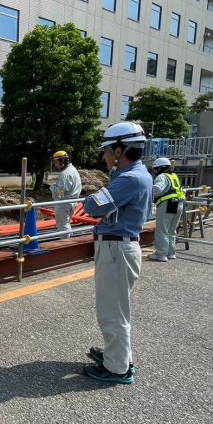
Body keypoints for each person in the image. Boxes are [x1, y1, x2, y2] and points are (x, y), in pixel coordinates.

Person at [82, 122, 152, 385]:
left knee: (112, 312)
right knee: (117, 309)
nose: (104, 156)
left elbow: (92, 207)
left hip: (116, 249)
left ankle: (117, 368)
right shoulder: (139, 174)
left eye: (107, 151)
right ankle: (117, 356)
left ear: (120, 150)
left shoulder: (129, 179)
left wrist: (95, 196)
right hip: (121, 246)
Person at [148, 157, 185, 262]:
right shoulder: (174, 176)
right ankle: (171, 253)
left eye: (155, 169)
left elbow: (158, 189)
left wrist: (146, 190)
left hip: (167, 203)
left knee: (162, 229)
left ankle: (161, 254)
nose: (154, 172)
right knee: (171, 229)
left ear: (160, 168)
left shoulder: (162, 176)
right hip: (178, 203)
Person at [49, 150, 83, 235]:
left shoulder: (65, 174)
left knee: (63, 226)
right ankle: (69, 240)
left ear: (62, 161)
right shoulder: (73, 170)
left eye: (56, 162)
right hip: (72, 202)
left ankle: (66, 244)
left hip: (63, 204)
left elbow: (61, 193)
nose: (55, 164)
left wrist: (51, 187)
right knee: (66, 224)